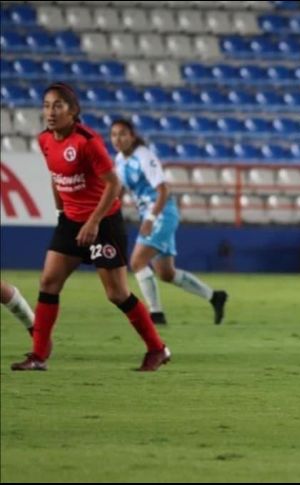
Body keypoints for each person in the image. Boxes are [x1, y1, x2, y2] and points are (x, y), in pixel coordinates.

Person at [10, 82, 170, 372]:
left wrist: (94, 221)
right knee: (48, 282)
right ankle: (38, 355)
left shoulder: (87, 141)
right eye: (46, 105)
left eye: (58, 105)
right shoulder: (45, 140)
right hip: (70, 221)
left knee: (116, 293)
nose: (50, 111)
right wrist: (60, 206)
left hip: (103, 222)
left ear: (73, 111)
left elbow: (114, 184)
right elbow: (55, 174)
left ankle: (157, 349)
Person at [110, 119, 228, 325]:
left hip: (161, 213)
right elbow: (118, 192)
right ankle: (215, 297)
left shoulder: (144, 156)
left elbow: (163, 189)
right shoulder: (119, 160)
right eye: (113, 135)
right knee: (166, 273)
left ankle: (156, 315)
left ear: (132, 136)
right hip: (151, 215)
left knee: (137, 262)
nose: (117, 139)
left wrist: (151, 218)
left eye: (122, 134)